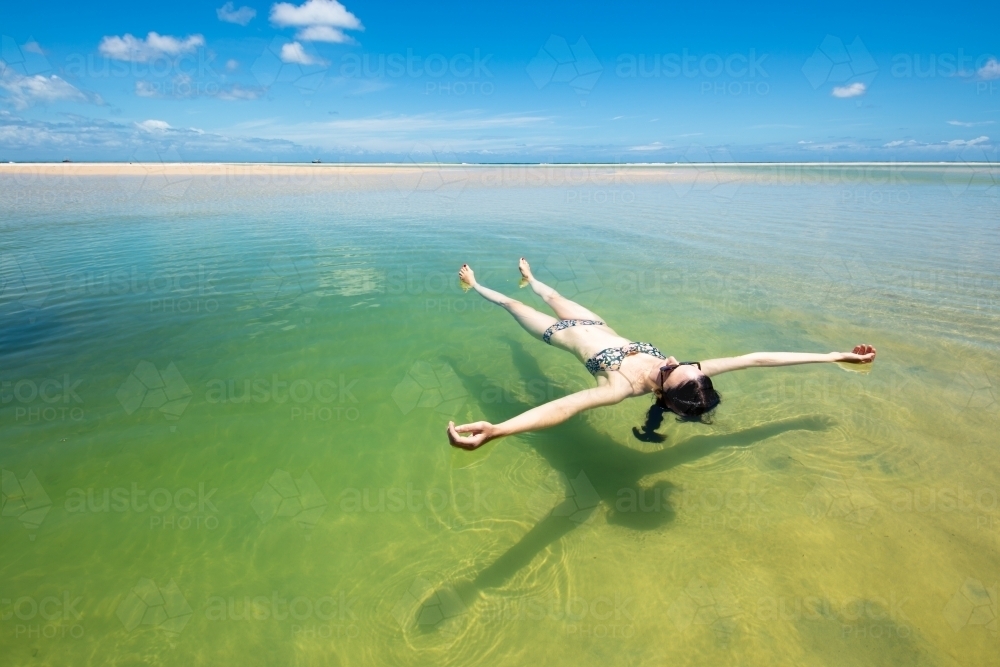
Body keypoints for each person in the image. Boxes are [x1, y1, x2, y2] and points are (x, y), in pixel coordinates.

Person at [447, 259, 876, 450]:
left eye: (675, 372)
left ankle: (476, 284)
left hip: (558, 333)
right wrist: (834, 355)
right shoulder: (690, 373)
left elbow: (562, 407)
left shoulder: (621, 387)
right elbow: (760, 357)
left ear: (667, 394)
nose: (678, 363)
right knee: (552, 292)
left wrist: (500, 430)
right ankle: (532, 277)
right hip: (594, 324)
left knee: (512, 306)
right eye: (689, 368)